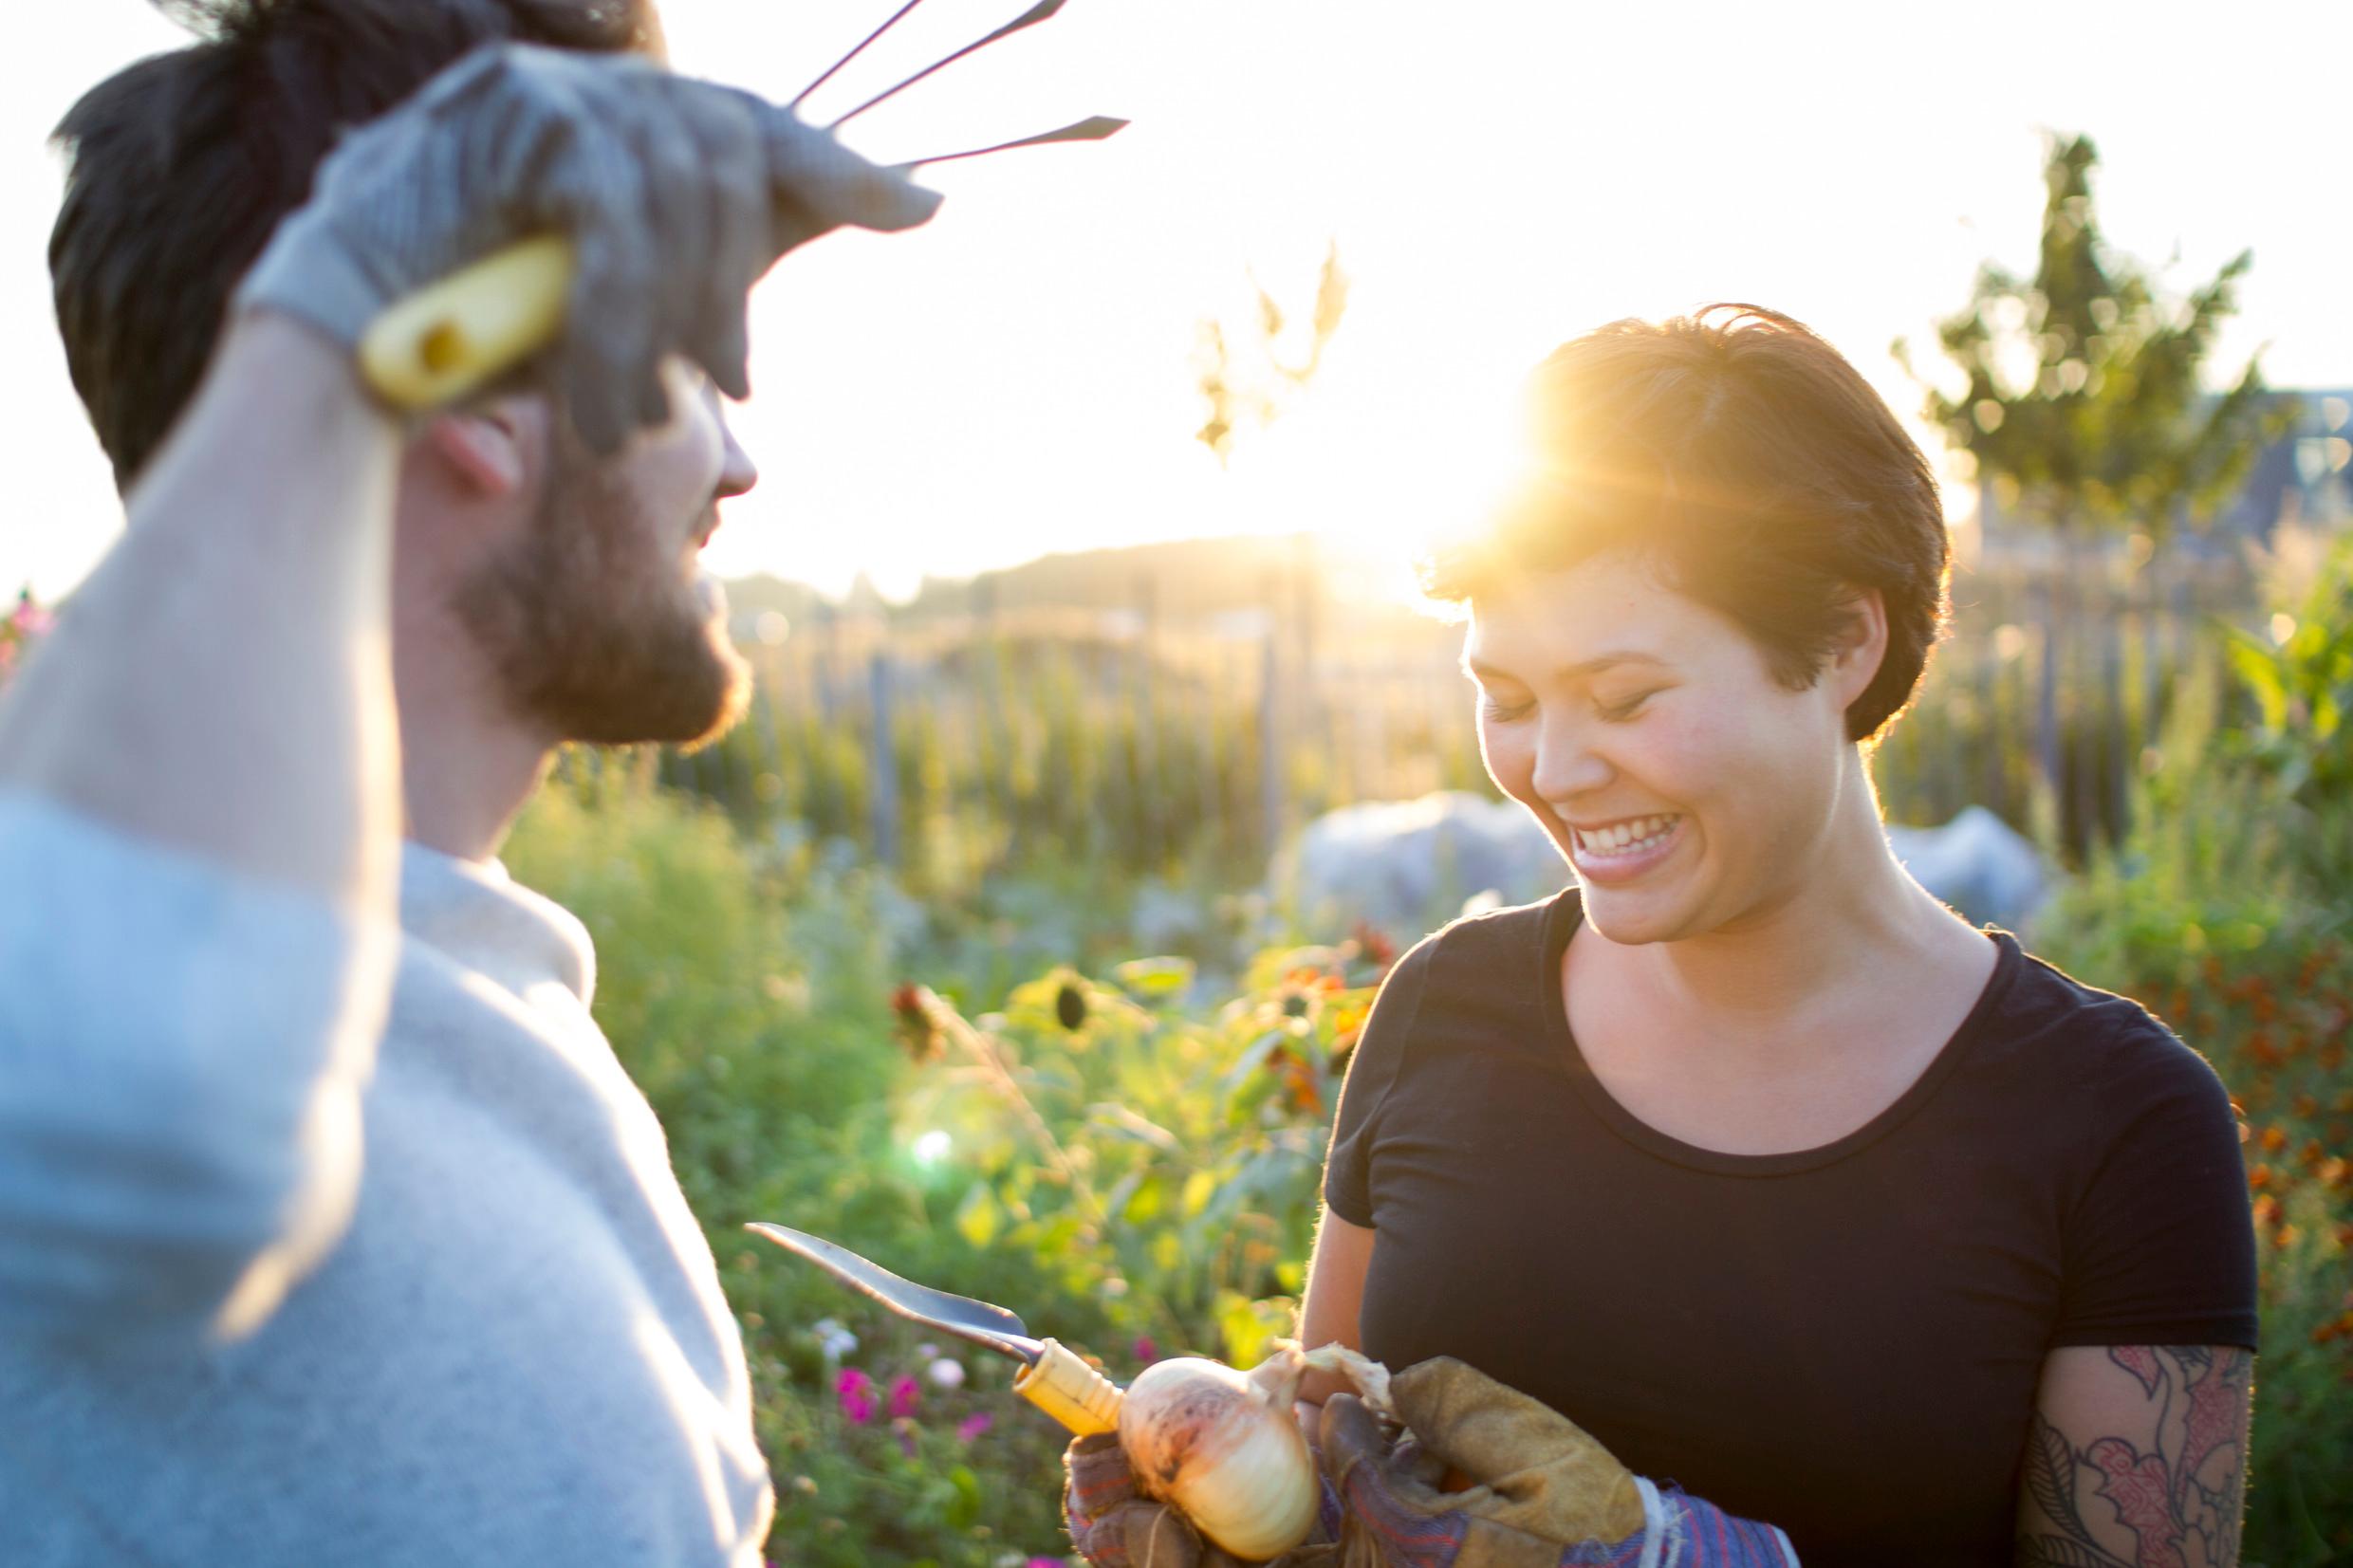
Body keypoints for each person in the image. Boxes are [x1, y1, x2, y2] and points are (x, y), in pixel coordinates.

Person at [1064, 309, 2259, 1568]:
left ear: (1845, 641)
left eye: (1629, 696)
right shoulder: (1439, 1014)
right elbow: (1336, 1482)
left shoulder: (2117, 1127)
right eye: (1510, 698)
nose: (1558, 767)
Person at [0, 1, 936, 1561]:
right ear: (474, 395)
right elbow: (130, 1138)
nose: (739, 460)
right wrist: (338, 332)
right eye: (692, 355)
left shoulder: (488, 1003)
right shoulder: (112, 1023)